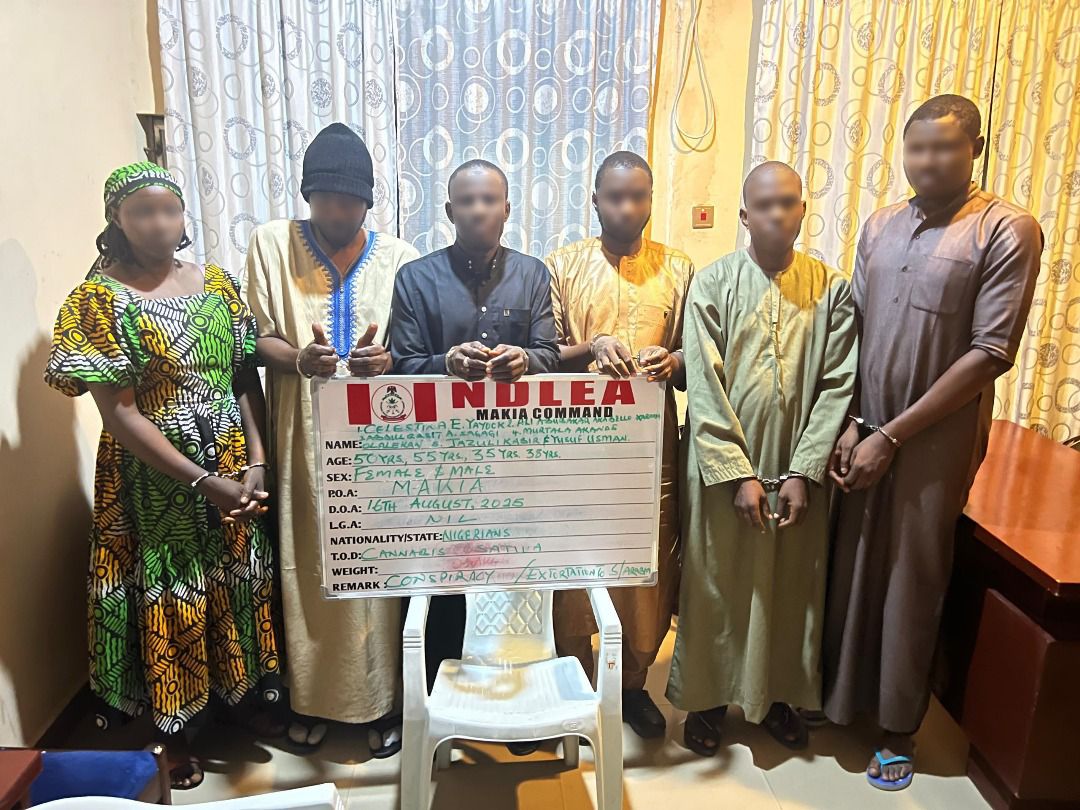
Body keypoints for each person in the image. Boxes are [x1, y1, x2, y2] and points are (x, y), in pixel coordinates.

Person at [822, 95, 1043, 791]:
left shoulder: (1005, 229)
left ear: (976, 147)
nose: (928, 161)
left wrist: (892, 433)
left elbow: (990, 352)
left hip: (935, 437)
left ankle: (898, 729)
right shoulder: (882, 224)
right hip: (867, 424)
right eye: (917, 148)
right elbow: (854, 330)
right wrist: (851, 422)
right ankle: (841, 700)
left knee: (911, 575)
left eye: (945, 147)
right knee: (853, 557)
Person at [45, 162, 280, 789]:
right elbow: (119, 414)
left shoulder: (217, 284)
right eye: (142, 212)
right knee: (170, 590)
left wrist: (256, 461)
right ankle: (173, 729)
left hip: (232, 462)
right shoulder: (97, 300)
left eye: (169, 210)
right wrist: (202, 481)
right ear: (116, 219)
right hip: (152, 479)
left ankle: (237, 701)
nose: (158, 223)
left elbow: (242, 376)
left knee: (235, 577)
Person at [666, 162, 858, 756]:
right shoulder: (713, 283)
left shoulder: (832, 289)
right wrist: (737, 473)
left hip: (798, 468)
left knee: (790, 584)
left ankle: (776, 697)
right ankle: (706, 700)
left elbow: (838, 383)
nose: (777, 214)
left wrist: (804, 470)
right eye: (764, 205)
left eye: (788, 203)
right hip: (722, 469)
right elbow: (703, 385)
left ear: (802, 210)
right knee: (715, 583)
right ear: (745, 216)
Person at [243, 123, 419, 756]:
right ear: (306, 196)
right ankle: (311, 699)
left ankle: (384, 703)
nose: (338, 213)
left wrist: (387, 361)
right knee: (311, 563)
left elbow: (413, 349)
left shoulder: (399, 256)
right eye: (325, 201)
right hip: (301, 437)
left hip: (378, 441)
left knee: (379, 565)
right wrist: (298, 359)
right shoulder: (271, 244)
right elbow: (255, 341)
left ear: (368, 202)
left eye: (350, 203)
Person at [388, 158, 559, 755]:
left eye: (490, 200)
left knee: (518, 584)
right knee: (441, 587)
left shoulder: (533, 274)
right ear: (449, 210)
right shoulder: (415, 279)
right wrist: (446, 364)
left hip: (518, 461)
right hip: (439, 466)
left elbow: (550, 353)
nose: (479, 210)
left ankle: (521, 711)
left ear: (507, 209)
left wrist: (526, 360)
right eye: (467, 201)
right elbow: (400, 366)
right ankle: (441, 717)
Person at [545, 151, 693, 739]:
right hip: (576, 447)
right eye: (615, 196)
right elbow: (544, 356)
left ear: (651, 198)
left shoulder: (678, 268)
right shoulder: (563, 266)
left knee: (645, 564)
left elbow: (697, 358)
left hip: (649, 451)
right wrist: (593, 346)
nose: (627, 208)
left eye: (638, 196)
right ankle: (573, 681)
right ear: (595, 200)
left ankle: (631, 686)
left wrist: (672, 360)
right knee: (573, 563)